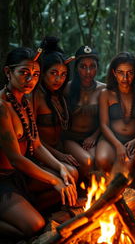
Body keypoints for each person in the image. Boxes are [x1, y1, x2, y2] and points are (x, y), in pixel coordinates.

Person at [0, 47, 77, 240]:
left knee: (70, 176)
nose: (30, 80)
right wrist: (53, 180)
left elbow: (37, 145)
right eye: (24, 73)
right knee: (35, 226)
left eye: (35, 74)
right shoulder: (2, 107)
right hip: (3, 181)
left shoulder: (24, 102)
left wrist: (60, 168)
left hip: (21, 176)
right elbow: (16, 158)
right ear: (8, 72)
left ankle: (22, 209)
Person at [95, 52, 135, 175]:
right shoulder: (106, 94)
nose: (125, 78)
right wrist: (117, 145)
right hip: (110, 138)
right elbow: (103, 124)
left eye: (129, 73)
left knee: (126, 166)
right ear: (114, 73)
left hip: (134, 139)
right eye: (120, 72)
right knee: (103, 159)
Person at [33, 36, 79, 177]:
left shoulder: (60, 94)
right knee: (72, 174)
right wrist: (59, 155)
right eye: (53, 73)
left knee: (85, 164)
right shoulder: (35, 97)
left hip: (60, 147)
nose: (59, 79)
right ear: (43, 73)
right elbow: (33, 140)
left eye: (63, 74)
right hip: (40, 153)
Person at [64, 45, 105, 179]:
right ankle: (81, 192)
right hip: (71, 138)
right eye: (83, 66)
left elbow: (106, 119)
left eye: (92, 66)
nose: (88, 71)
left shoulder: (103, 90)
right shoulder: (67, 88)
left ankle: (94, 194)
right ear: (76, 68)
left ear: (97, 67)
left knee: (97, 160)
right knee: (87, 160)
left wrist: (94, 136)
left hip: (92, 138)